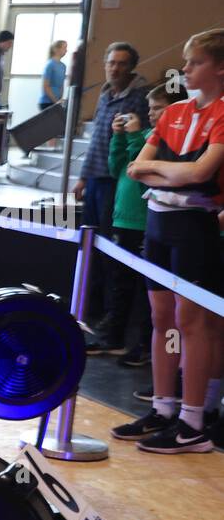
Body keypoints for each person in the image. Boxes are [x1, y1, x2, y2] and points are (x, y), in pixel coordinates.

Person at [113, 28, 224, 454]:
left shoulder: (221, 113)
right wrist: (175, 168)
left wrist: (167, 170)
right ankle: (163, 408)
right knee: (162, 320)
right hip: (157, 223)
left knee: (192, 324)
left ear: (218, 67)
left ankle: (193, 421)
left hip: (194, 226)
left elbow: (202, 176)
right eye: (185, 60)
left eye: (194, 62)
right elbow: (135, 169)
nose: (185, 68)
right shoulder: (174, 111)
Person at [74, 42, 151, 354]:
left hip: (115, 182)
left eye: (121, 63)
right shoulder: (106, 94)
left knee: (109, 251)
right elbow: (97, 142)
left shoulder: (140, 99)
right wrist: (82, 176)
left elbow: (138, 140)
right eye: (111, 62)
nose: (114, 68)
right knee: (91, 246)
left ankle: (112, 319)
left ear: (131, 67)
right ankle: (93, 313)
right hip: (94, 179)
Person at [104, 83, 171, 368]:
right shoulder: (144, 135)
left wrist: (131, 139)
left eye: (159, 107)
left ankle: (144, 345)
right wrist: (118, 138)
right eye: (151, 108)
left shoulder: (158, 142)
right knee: (121, 282)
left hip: (147, 221)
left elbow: (139, 169)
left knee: (150, 291)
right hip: (124, 218)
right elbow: (117, 166)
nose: (152, 113)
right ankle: (113, 337)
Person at [40, 40, 67, 111]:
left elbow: (61, 85)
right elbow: (46, 86)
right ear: (56, 50)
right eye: (64, 48)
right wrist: (56, 101)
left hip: (57, 103)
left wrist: (60, 100)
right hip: (47, 103)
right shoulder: (50, 65)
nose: (66, 50)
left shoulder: (63, 66)